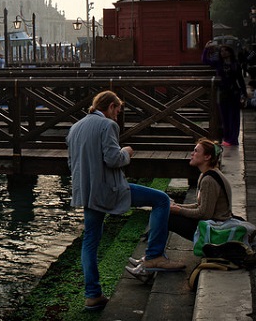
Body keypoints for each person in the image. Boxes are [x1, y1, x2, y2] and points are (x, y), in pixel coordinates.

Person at [66, 90, 185, 311]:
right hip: (109, 189)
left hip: (87, 193)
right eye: (117, 111)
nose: (117, 116)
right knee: (161, 200)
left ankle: (93, 295)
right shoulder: (108, 126)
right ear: (110, 106)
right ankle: (154, 256)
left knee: (90, 242)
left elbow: (72, 163)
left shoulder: (75, 128)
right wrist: (127, 152)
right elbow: (113, 159)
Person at [128, 138, 231, 268]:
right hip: (212, 224)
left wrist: (178, 210)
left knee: (167, 218)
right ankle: (153, 257)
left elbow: (205, 213)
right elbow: (200, 205)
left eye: (196, 151)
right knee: (166, 210)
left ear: (207, 156)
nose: (192, 154)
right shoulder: (207, 175)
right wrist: (178, 206)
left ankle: (155, 257)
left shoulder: (209, 180)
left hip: (214, 229)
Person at [202, 41, 247, 146]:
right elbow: (205, 60)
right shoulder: (219, 63)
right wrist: (206, 49)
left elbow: (240, 80)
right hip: (222, 93)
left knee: (234, 116)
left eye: (225, 51)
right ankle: (227, 138)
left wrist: (244, 94)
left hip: (234, 92)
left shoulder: (236, 64)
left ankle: (233, 139)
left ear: (230, 52)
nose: (222, 53)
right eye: (221, 51)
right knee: (224, 116)